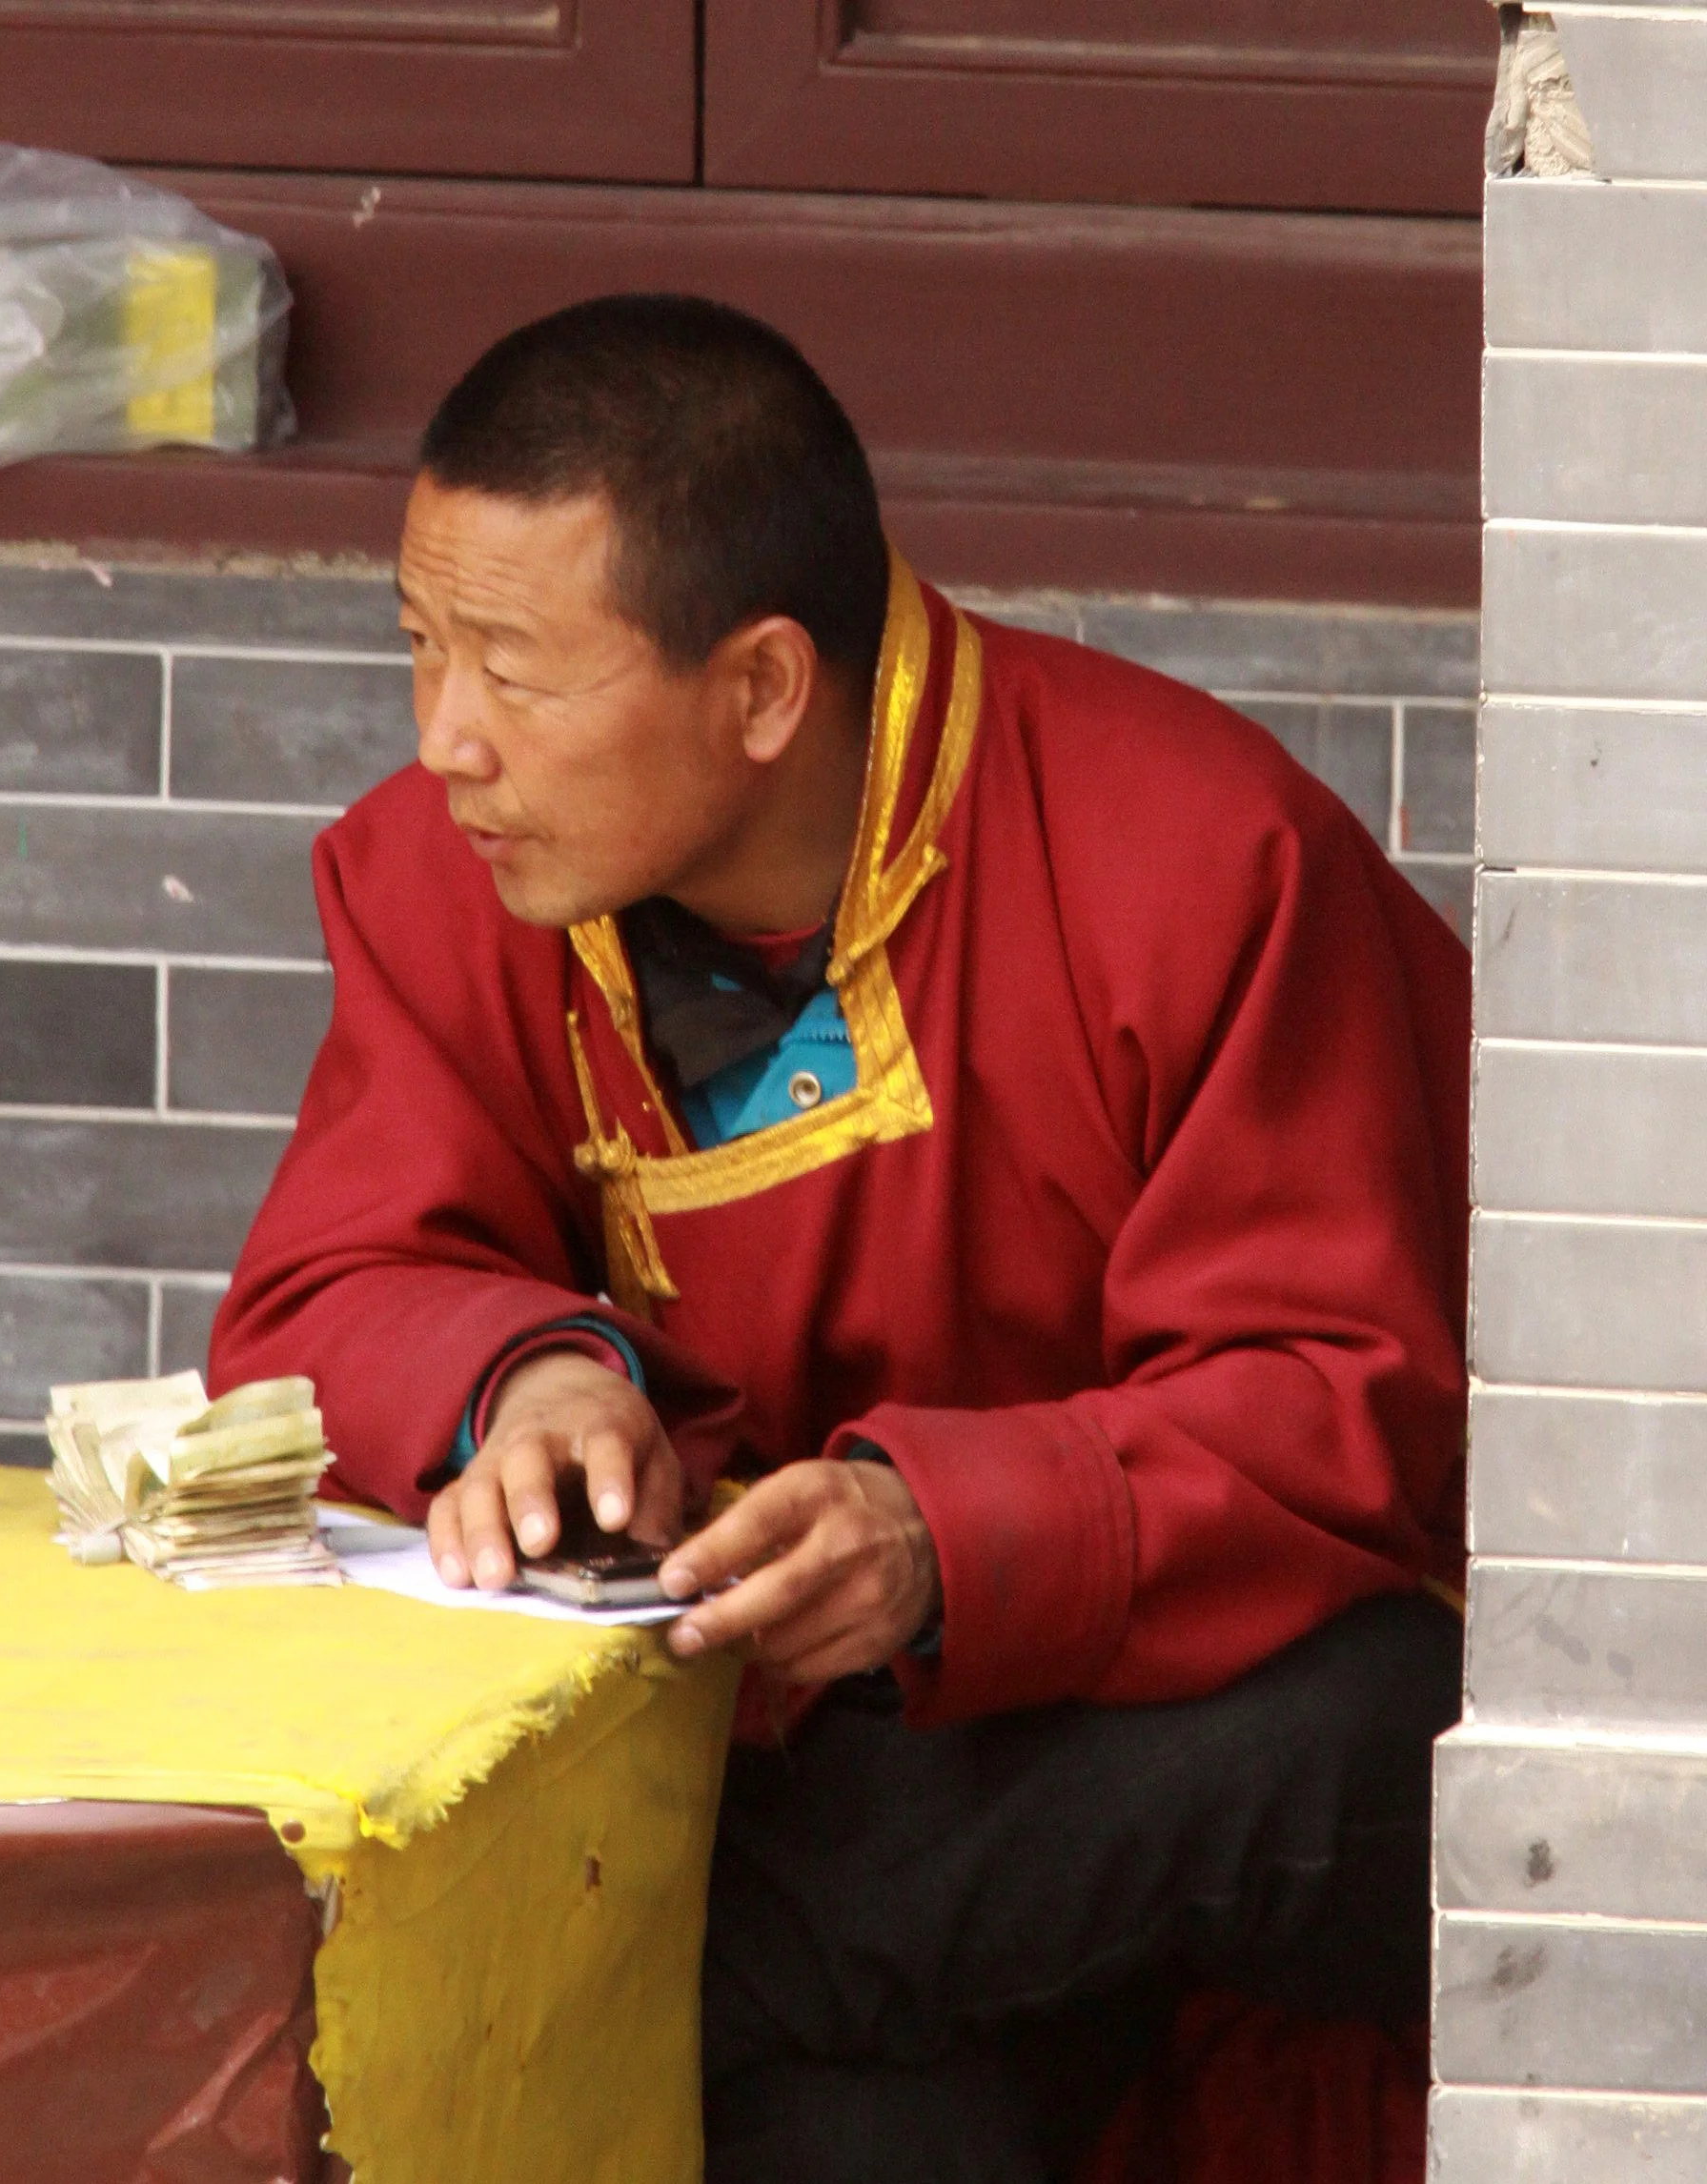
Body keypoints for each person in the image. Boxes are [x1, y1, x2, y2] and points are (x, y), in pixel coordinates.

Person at [212, 294, 1470, 2184]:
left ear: (765, 689)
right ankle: (751, 1970)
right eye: (418, 651)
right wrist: (527, 1372)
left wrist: (937, 1534)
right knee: (861, 2137)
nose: (446, 742)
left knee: (1372, 1725)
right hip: (834, 1790)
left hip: (1148, 1736)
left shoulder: (1194, 859)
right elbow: (332, 1284)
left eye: (514, 673)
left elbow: (1342, 1397)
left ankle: (700, 1966)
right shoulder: (443, 884)